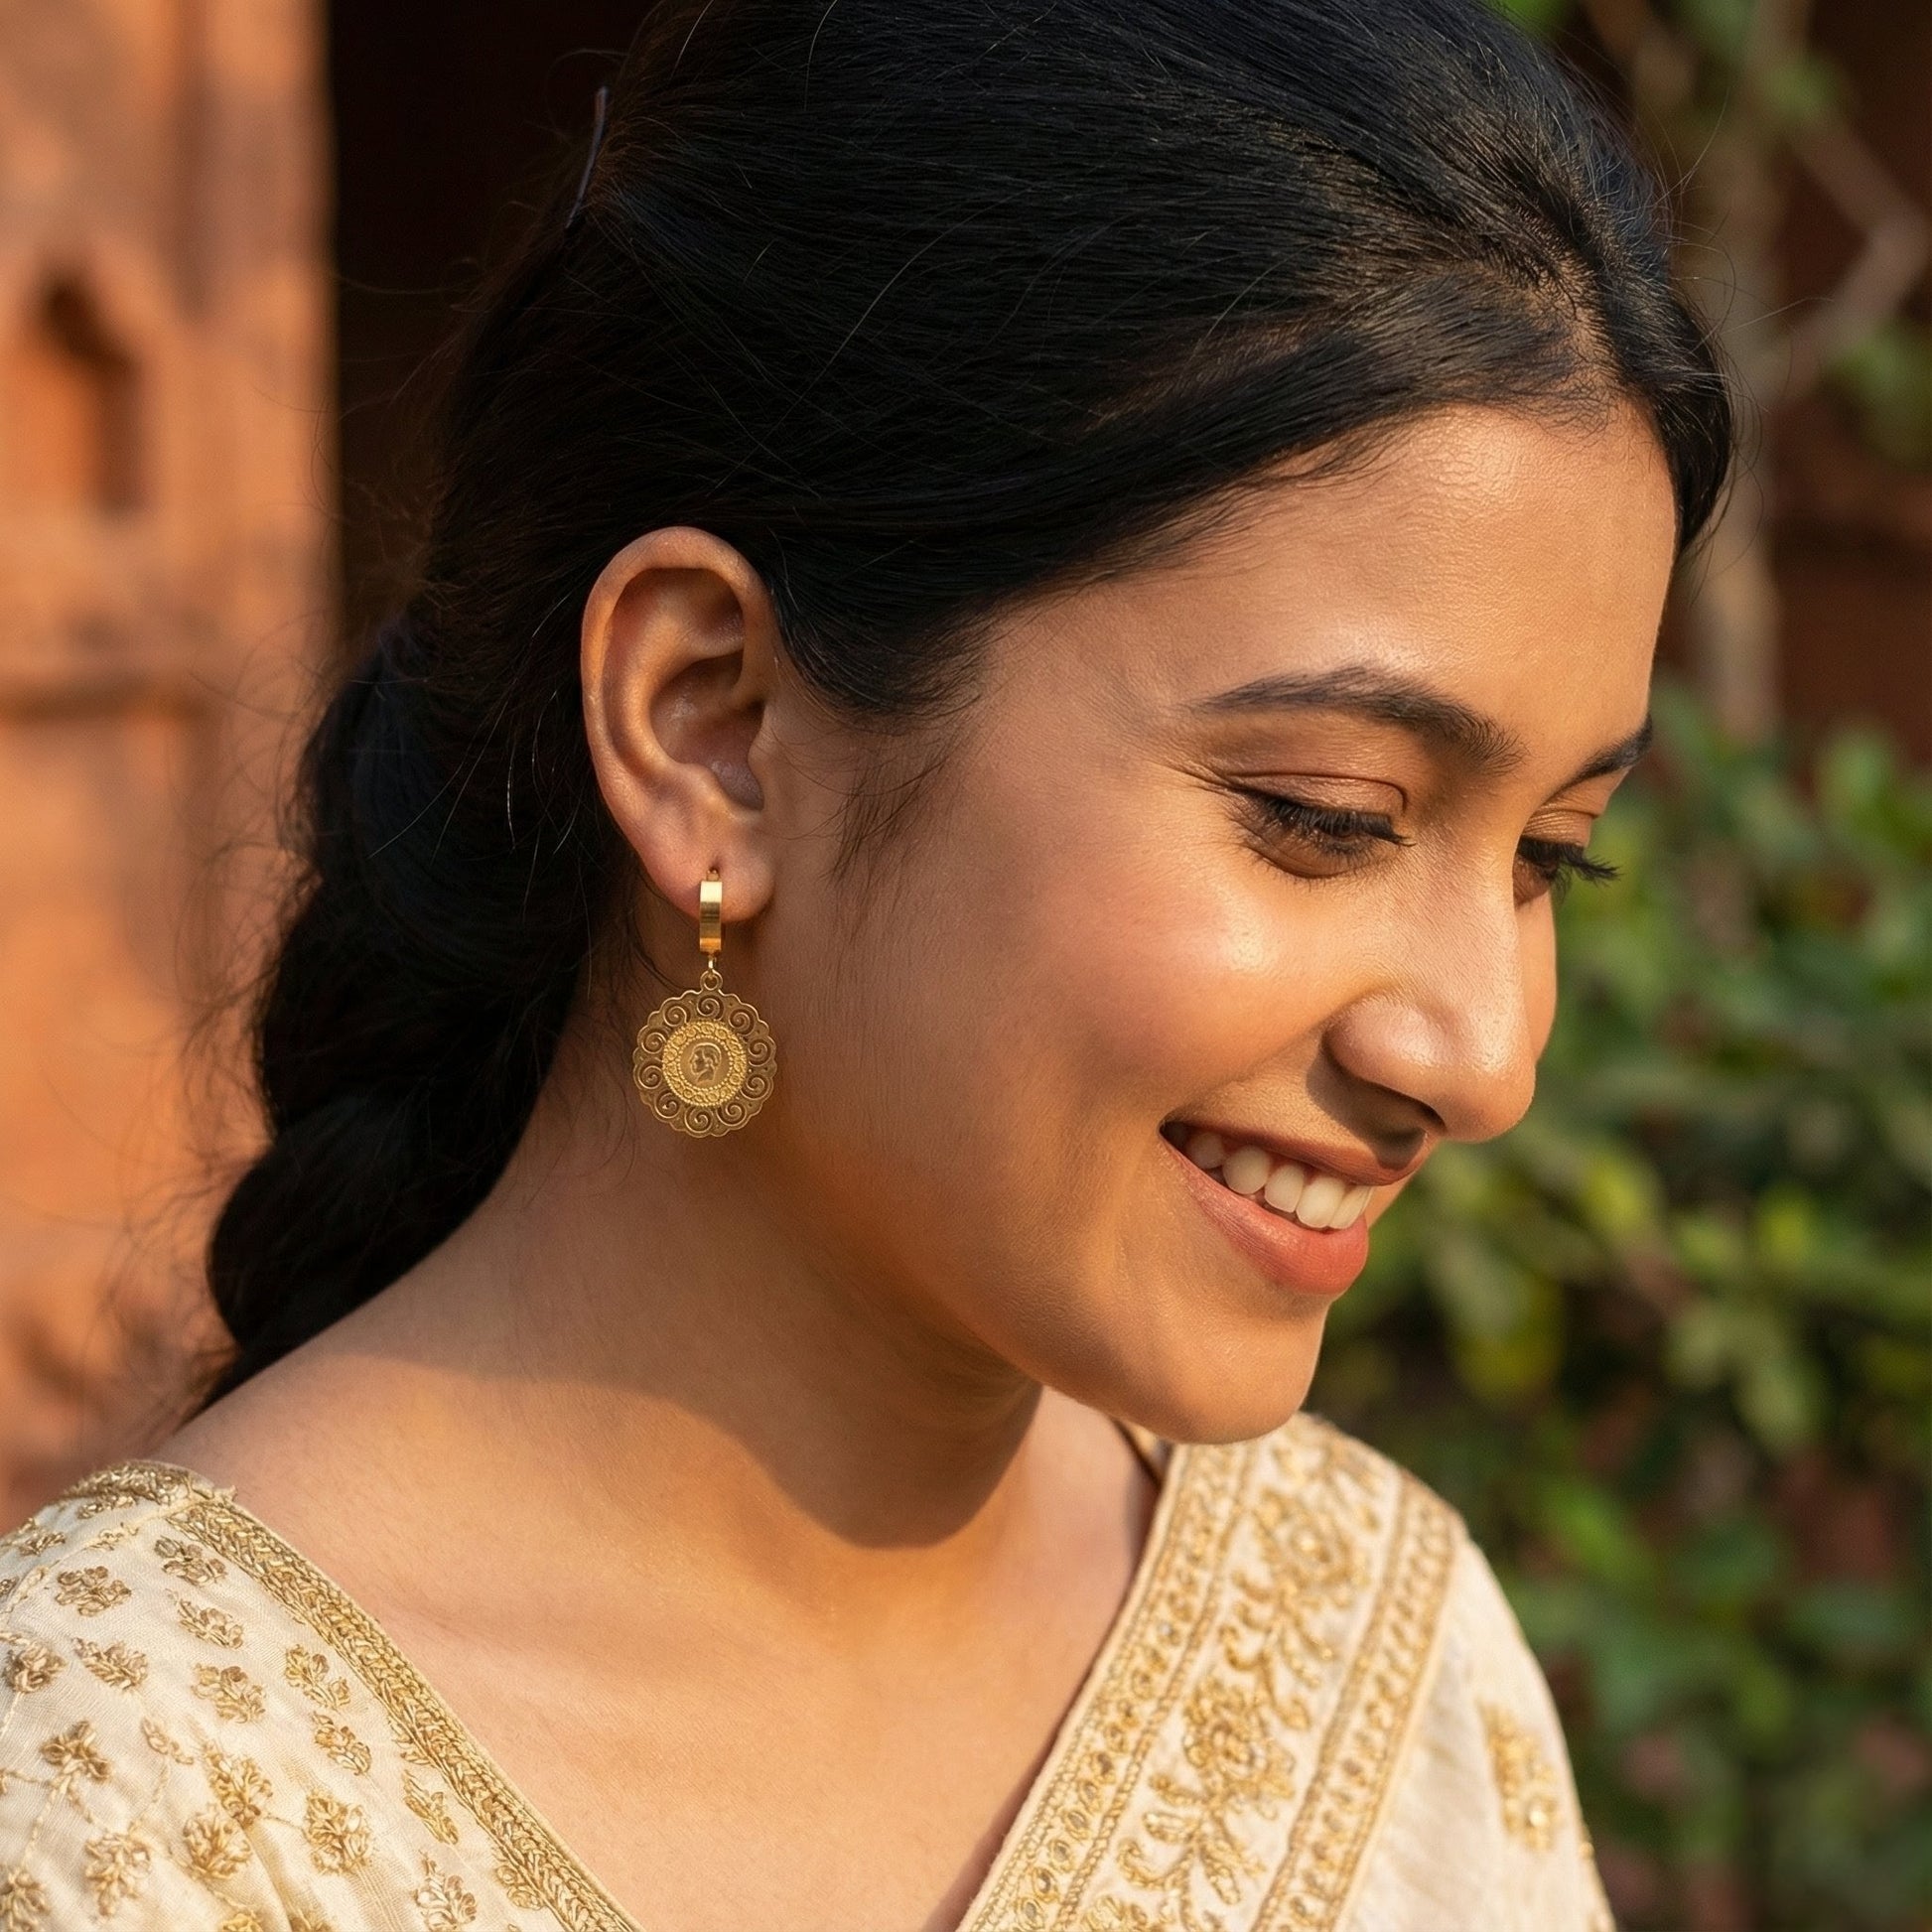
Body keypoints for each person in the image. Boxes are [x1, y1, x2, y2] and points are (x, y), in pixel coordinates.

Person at [0, 2, 1730, 1926]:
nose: (1481, 1053)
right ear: (711, 724)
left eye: (1551, 857)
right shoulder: (114, 1809)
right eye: (1322, 814)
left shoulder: (1372, 1643)